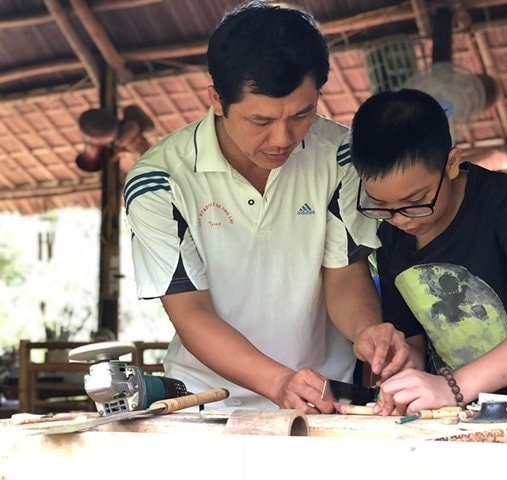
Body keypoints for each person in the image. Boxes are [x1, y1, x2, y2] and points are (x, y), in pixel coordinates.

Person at [123, 1, 411, 413]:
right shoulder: (160, 181)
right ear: (217, 100)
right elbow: (191, 311)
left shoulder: (340, 156)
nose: (282, 138)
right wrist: (278, 382)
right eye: (260, 121)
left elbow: (345, 273)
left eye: (302, 114)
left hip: (325, 399)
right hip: (207, 401)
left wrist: (367, 331)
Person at [348, 88, 507, 415]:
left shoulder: (501, 201)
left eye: (416, 201)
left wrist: (454, 386)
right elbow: (415, 341)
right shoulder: (390, 235)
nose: (401, 219)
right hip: (459, 416)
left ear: (451, 163)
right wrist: (401, 366)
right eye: (382, 205)